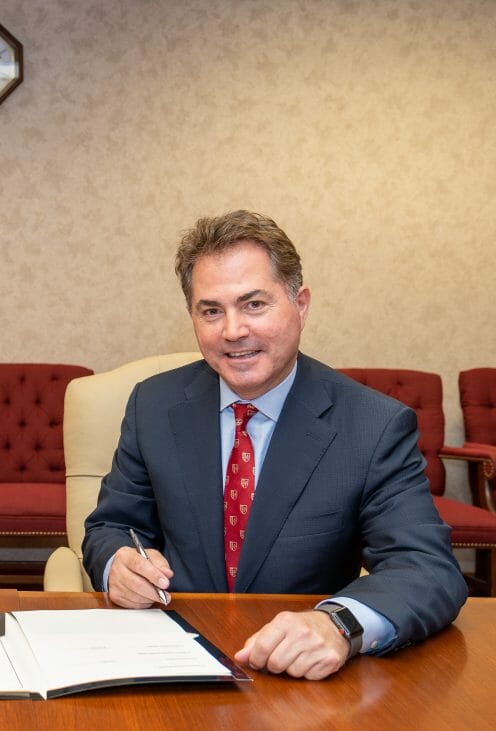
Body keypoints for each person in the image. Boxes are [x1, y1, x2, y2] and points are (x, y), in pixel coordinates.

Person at [82, 209, 467, 680]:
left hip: (303, 677)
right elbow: (112, 526)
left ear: (300, 304)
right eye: (211, 311)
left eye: (254, 304)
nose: (233, 331)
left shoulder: (373, 425)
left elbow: (427, 568)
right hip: (174, 659)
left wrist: (339, 624)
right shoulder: (154, 405)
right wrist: (116, 565)